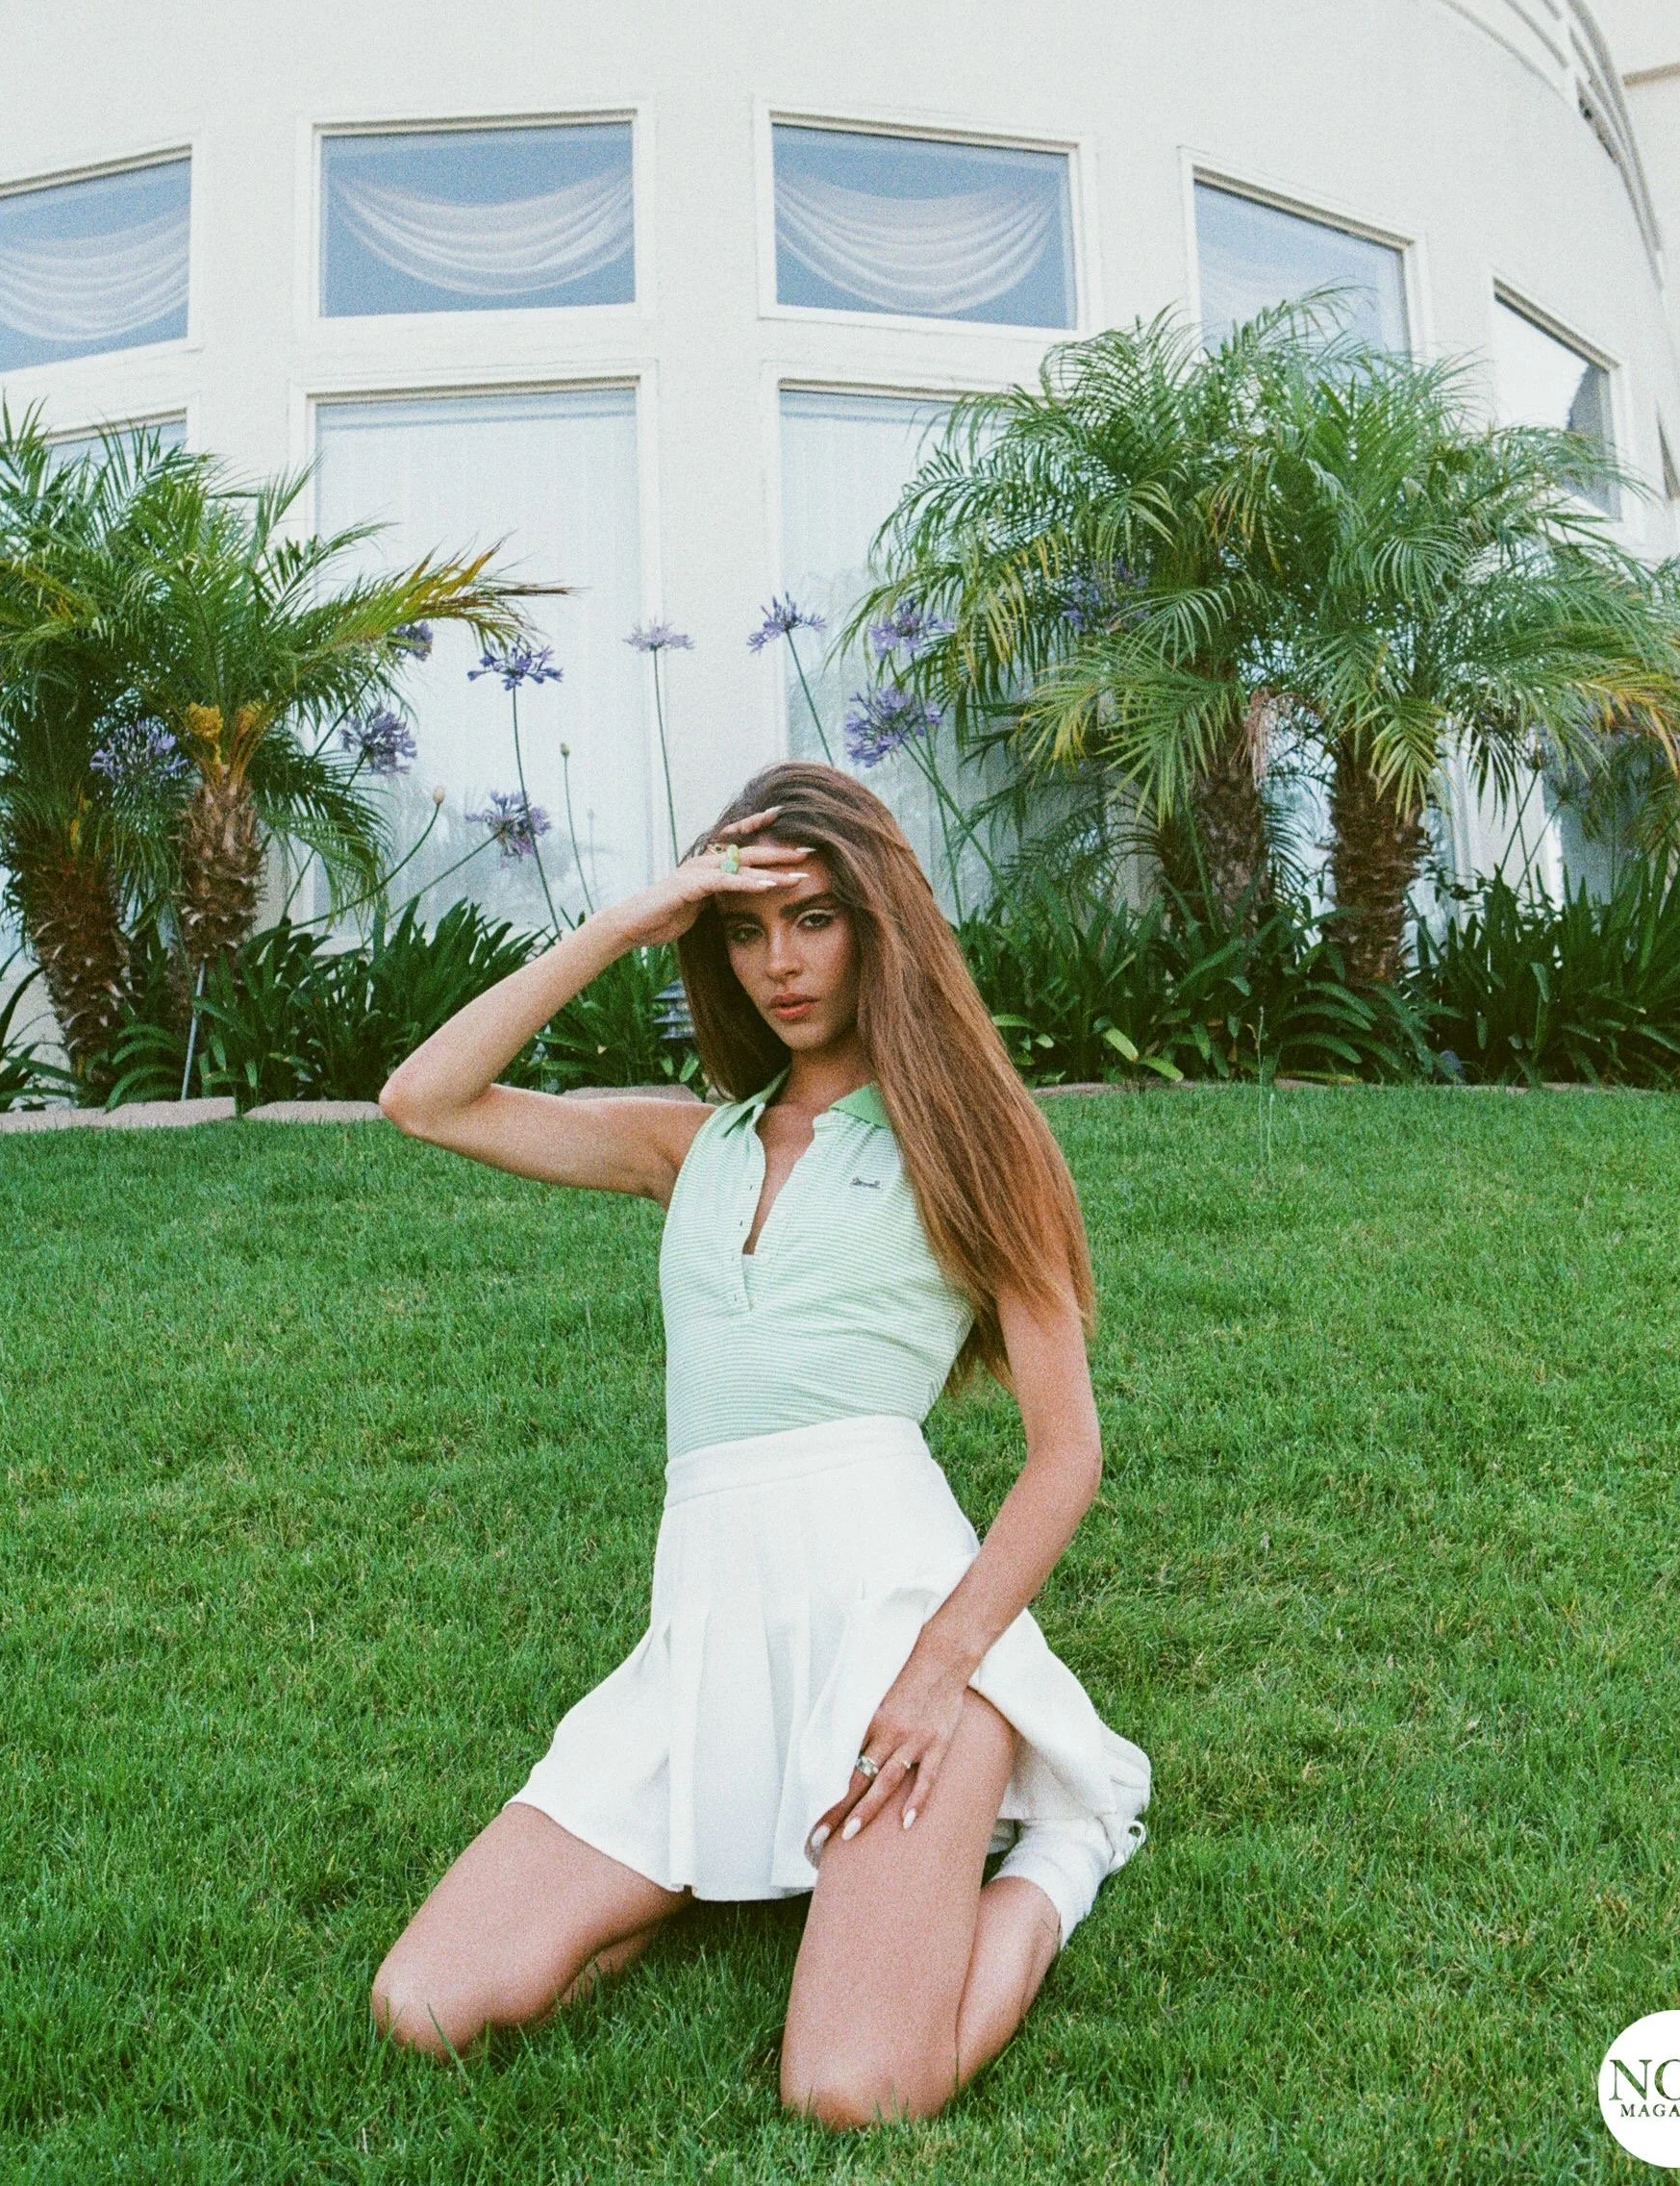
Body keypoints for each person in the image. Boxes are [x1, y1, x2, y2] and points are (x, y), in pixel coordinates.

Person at [371, 762, 1148, 2127]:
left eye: (812, 917)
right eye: (744, 928)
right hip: (706, 1648)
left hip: (895, 1643)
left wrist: (937, 1672)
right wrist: (632, 918)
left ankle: (1067, 1845)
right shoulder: (694, 1145)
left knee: (851, 2088)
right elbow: (424, 1097)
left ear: (877, 924)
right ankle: (716, 1850)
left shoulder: (972, 1142)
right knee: (426, 2002)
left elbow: (1062, 1453)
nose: (778, 962)